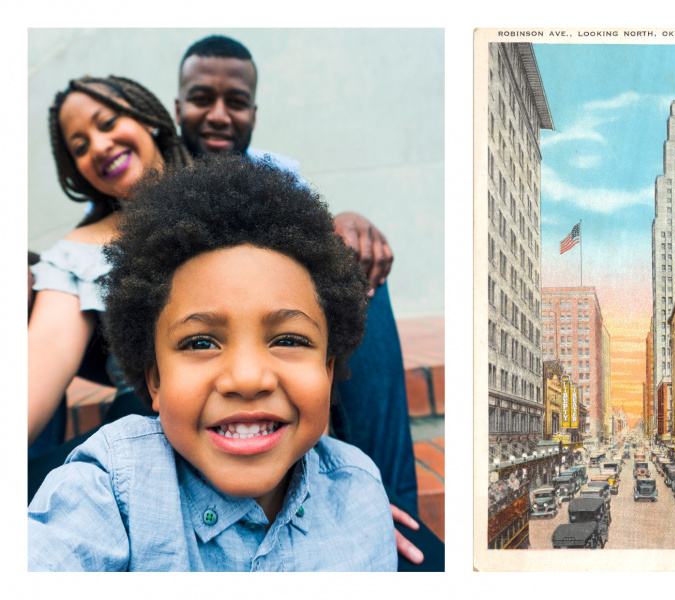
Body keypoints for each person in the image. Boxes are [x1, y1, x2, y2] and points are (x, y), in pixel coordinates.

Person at [29, 155, 396, 571]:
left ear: (328, 372)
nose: (246, 378)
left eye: (289, 339)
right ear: (155, 381)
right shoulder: (111, 488)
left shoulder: (359, 493)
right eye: (201, 342)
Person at [174, 35, 419, 519]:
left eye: (236, 102)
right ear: (179, 106)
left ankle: (394, 510)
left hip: (272, 335)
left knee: (355, 267)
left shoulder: (277, 175)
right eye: (203, 99)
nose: (220, 115)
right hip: (192, 350)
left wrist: (347, 222)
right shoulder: (154, 171)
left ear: (254, 113)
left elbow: (316, 245)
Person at [28, 76, 192, 451]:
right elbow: (44, 353)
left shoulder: (236, 195)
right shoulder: (75, 255)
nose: (99, 146)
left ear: (146, 117)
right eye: (80, 147)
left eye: (107, 123)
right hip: (141, 443)